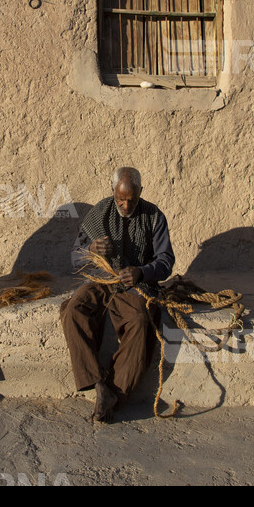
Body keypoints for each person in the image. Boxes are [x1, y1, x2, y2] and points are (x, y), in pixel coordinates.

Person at [61, 167, 175, 422]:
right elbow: (75, 257)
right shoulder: (98, 214)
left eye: (131, 200)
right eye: (120, 199)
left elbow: (166, 261)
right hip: (102, 281)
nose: (125, 205)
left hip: (135, 286)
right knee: (73, 310)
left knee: (141, 322)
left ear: (141, 193)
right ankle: (98, 384)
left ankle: (115, 392)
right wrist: (90, 248)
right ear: (112, 191)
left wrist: (142, 272)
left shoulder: (153, 216)